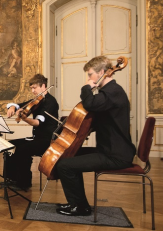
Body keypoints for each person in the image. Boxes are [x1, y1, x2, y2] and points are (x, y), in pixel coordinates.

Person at [55, 56, 136, 216]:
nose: (89, 78)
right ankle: (77, 203)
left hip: (115, 155)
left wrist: (86, 87)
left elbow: (90, 103)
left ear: (101, 72)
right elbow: (98, 119)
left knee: (65, 166)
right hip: (108, 150)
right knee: (70, 155)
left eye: (90, 74)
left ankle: (80, 208)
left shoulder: (113, 92)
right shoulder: (109, 93)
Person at [5, 74, 59, 190]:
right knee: (10, 144)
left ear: (43, 86)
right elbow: (18, 104)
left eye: (34, 88)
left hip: (47, 140)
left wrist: (25, 119)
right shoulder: (37, 100)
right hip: (36, 137)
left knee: (23, 149)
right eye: (31, 88)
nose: (33, 91)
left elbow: (38, 123)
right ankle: (11, 178)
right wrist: (12, 107)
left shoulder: (51, 102)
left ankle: (24, 182)